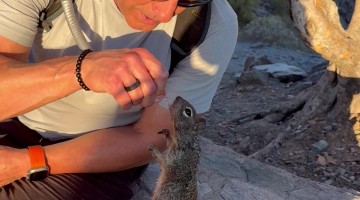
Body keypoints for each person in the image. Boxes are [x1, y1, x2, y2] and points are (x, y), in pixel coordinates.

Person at [0, 0, 238, 199]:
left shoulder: (212, 24)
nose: (165, 14)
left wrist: (26, 162)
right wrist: (81, 70)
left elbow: (151, 135)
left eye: (187, 0)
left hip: (96, 158)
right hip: (15, 121)